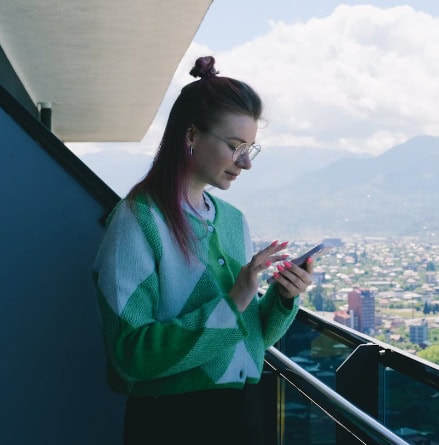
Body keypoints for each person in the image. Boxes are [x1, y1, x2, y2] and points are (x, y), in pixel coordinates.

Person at [93, 56, 313, 444]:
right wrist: (234, 301)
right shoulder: (136, 222)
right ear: (191, 135)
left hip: (243, 411)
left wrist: (281, 297)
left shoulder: (232, 220)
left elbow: (247, 335)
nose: (245, 162)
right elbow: (129, 356)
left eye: (251, 148)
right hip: (173, 420)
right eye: (234, 146)